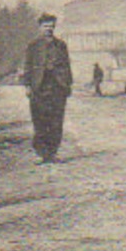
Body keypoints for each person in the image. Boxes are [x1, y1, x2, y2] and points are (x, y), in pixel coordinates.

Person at [24, 13, 73, 164]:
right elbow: (28, 66)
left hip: (57, 88)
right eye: (46, 26)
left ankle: (52, 153)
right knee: (39, 121)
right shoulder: (33, 46)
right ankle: (41, 153)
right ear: (40, 27)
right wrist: (27, 85)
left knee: (56, 121)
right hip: (39, 87)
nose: (49, 29)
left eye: (51, 26)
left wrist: (68, 84)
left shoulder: (61, 45)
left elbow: (66, 65)